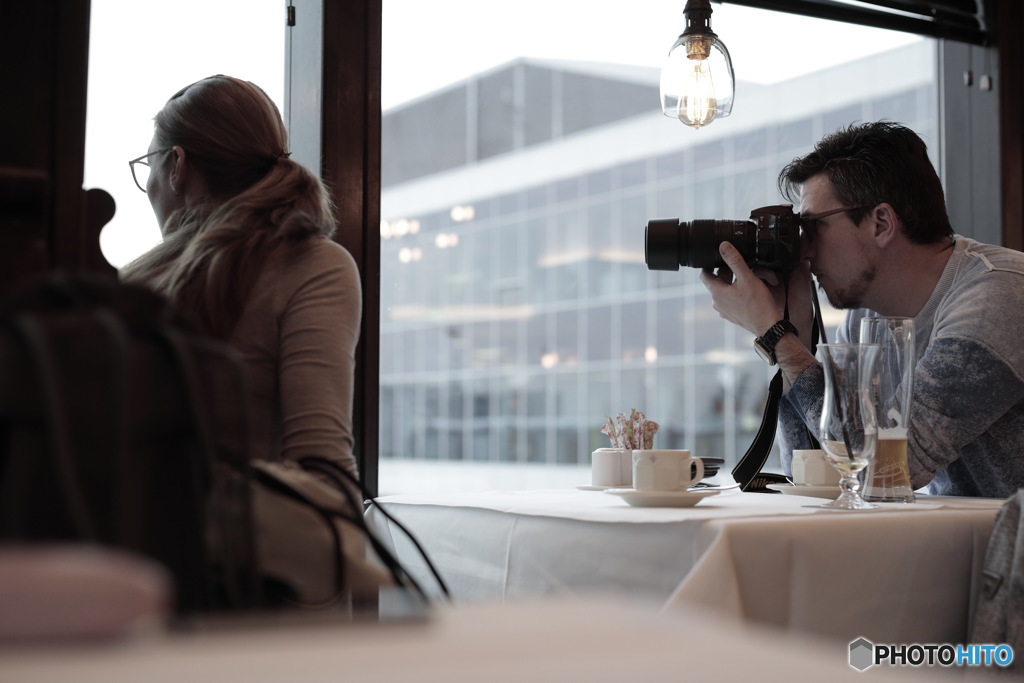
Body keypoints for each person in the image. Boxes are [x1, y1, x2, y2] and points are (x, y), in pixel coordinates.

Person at [700, 121, 1024, 498]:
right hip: (954, 542)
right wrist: (795, 334)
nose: (804, 250)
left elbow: (886, 471)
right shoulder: (865, 315)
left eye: (814, 227)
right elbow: (823, 474)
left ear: (881, 222)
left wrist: (776, 337)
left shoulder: (999, 296)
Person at [121, 75, 362, 480]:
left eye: (149, 164)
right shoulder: (315, 265)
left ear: (177, 165)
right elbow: (324, 472)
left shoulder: (129, 286)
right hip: (247, 540)